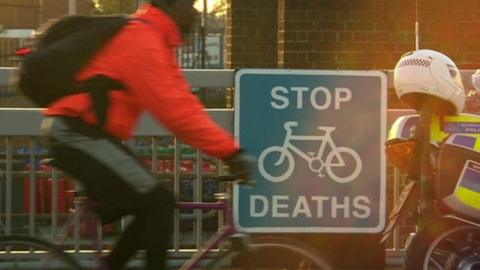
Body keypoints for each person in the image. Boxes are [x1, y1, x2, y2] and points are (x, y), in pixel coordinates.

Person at [40, 0, 254, 269]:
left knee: (154, 203)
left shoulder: (155, 39)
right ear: (172, 6)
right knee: (159, 202)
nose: (196, 11)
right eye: (189, 4)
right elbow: (176, 112)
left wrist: (228, 149)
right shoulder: (142, 39)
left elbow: (184, 103)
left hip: (87, 134)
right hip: (77, 133)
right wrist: (230, 152)